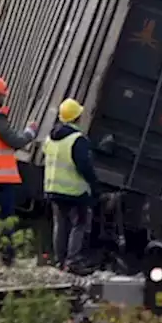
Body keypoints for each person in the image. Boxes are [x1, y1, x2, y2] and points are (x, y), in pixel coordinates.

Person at [0, 75, 39, 263]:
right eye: (2, 96)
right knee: (5, 219)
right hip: (0, 179)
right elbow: (16, 141)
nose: (3, 99)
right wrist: (31, 131)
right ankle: (7, 258)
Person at [44, 98, 102, 273]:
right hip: (74, 191)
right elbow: (84, 166)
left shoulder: (51, 138)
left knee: (60, 225)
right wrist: (94, 185)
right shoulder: (77, 140)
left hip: (53, 189)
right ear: (77, 118)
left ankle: (59, 261)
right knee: (80, 224)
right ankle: (73, 261)